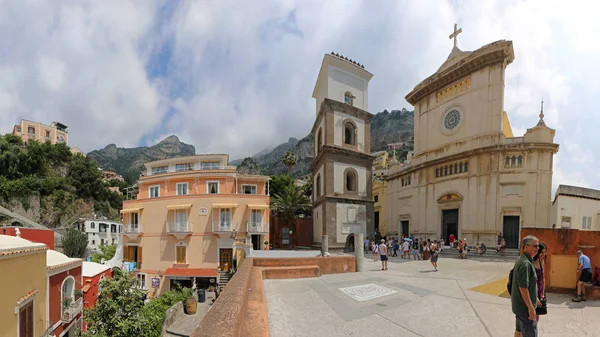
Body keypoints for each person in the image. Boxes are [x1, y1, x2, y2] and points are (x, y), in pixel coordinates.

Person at [511, 235, 540, 337]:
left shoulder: (522, 259)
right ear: (526, 247)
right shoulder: (525, 264)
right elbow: (523, 288)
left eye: (538, 246)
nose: (537, 249)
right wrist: (531, 307)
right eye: (535, 246)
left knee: (519, 331)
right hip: (525, 310)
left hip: (519, 307)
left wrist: (535, 298)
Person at [533, 242, 547, 322]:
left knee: (537, 315)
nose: (543, 254)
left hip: (540, 290)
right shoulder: (531, 262)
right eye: (541, 252)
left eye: (545, 252)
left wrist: (542, 293)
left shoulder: (541, 261)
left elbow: (543, 278)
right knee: (531, 314)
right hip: (533, 290)